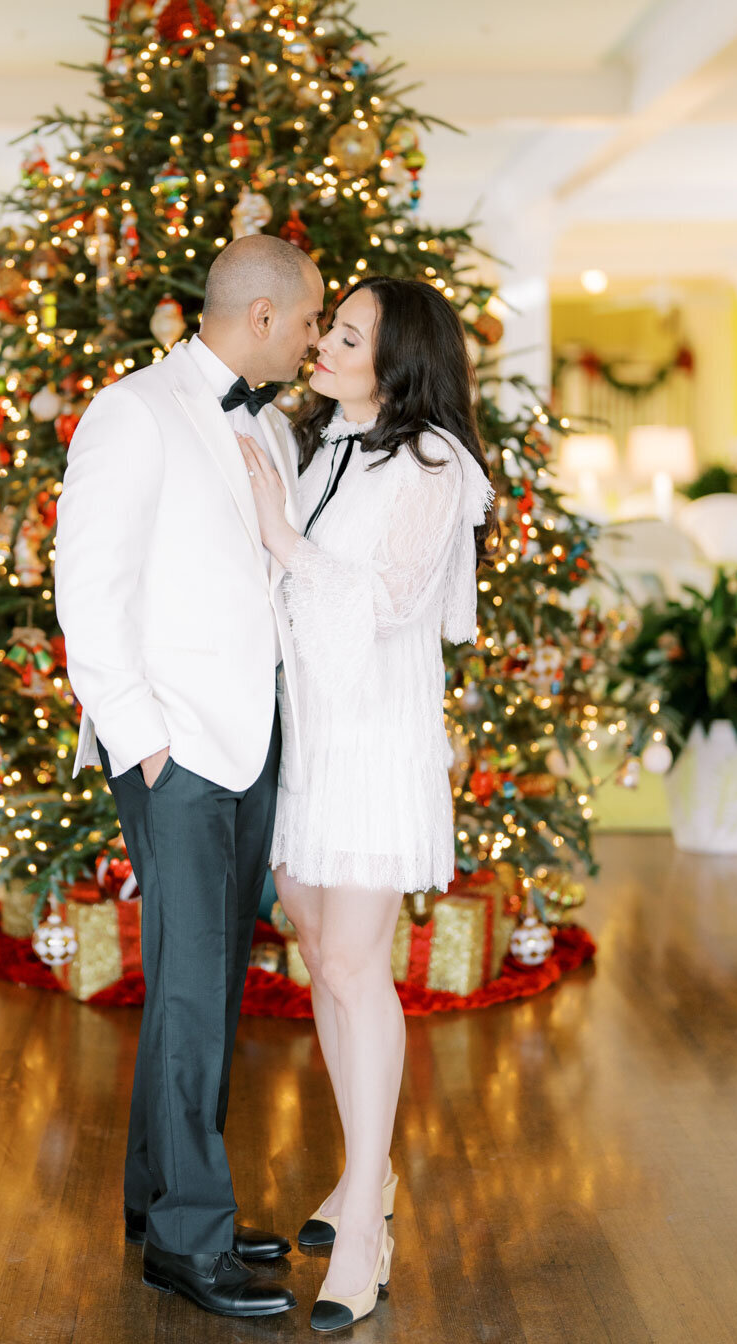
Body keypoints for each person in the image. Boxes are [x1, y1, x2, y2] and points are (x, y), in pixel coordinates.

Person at [55, 233, 324, 1320]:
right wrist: (143, 740)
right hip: (174, 747)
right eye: (307, 320)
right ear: (260, 316)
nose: (312, 340)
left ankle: (162, 1196)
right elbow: (86, 580)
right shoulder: (134, 411)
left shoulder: (266, 425)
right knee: (189, 984)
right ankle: (187, 1240)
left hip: (249, 740)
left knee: (203, 976)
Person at [237, 274, 495, 1335]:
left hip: (374, 745)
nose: (323, 345)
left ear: (398, 362)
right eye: (329, 329)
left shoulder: (435, 466)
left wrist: (276, 534)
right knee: (322, 969)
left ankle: (364, 1232)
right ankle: (361, 1178)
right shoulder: (323, 444)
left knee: (353, 968)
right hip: (307, 740)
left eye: (346, 336)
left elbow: (389, 605)